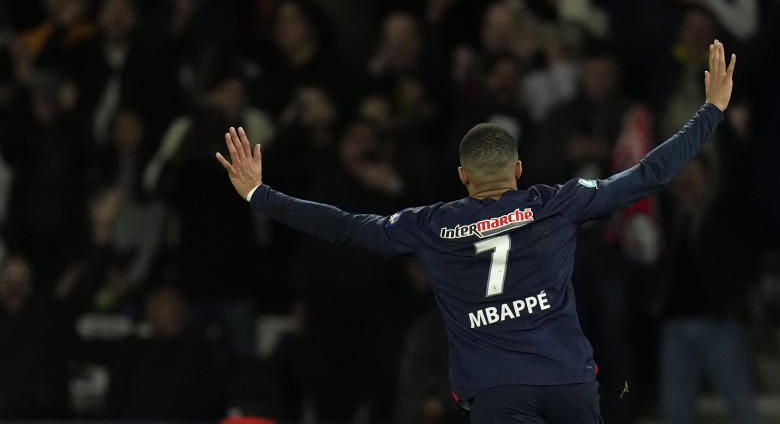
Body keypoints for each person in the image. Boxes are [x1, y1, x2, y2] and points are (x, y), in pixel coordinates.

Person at [215, 40, 736, 423]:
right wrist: (710, 111)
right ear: (518, 170)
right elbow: (648, 174)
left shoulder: (432, 225)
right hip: (567, 381)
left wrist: (262, 195)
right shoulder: (555, 203)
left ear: (463, 177)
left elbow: (347, 228)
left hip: (495, 391)